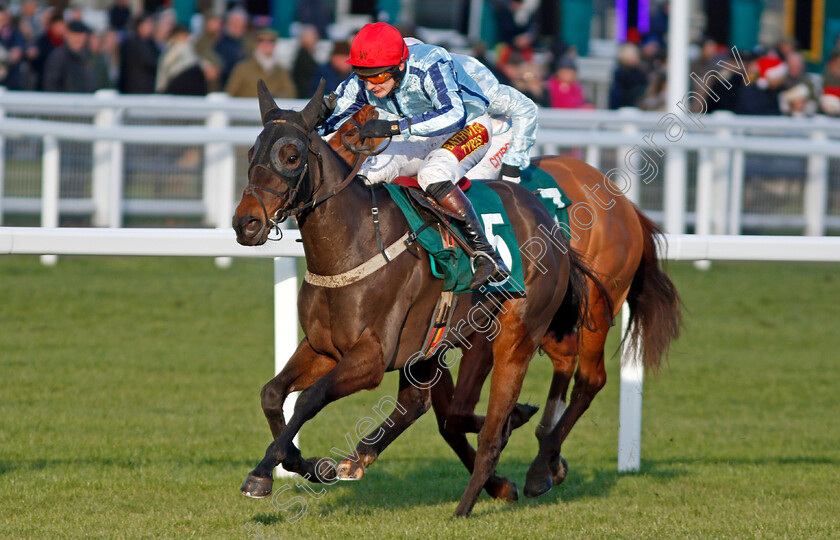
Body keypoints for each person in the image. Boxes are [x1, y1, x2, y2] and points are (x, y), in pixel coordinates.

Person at [318, 22, 509, 288]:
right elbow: (330, 119)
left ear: (398, 65)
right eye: (363, 76)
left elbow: (453, 114)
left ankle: (485, 254)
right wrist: (308, 120)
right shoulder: (367, 78)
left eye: (378, 77)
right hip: (418, 133)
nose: (370, 85)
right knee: (369, 174)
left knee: (433, 174)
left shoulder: (431, 62)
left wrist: (395, 127)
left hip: (469, 126)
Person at [225, 28, 295, 98]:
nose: (267, 44)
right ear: (256, 44)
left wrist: (272, 98)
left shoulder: (281, 70)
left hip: (272, 108)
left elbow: (290, 94)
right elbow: (230, 94)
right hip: (248, 107)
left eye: (271, 41)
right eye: (261, 40)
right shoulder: (242, 68)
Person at [42, 20, 94, 93]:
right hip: (65, 102)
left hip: (82, 101)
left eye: (82, 36)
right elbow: (51, 85)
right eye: (76, 35)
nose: (79, 39)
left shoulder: (86, 57)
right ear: (68, 35)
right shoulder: (59, 56)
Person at [118, 14, 159, 94]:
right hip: (135, 89)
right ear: (140, 26)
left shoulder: (150, 43)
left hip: (147, 88)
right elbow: (150, 62)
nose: (151, 27)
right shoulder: (132, 43)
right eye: (148, 24)